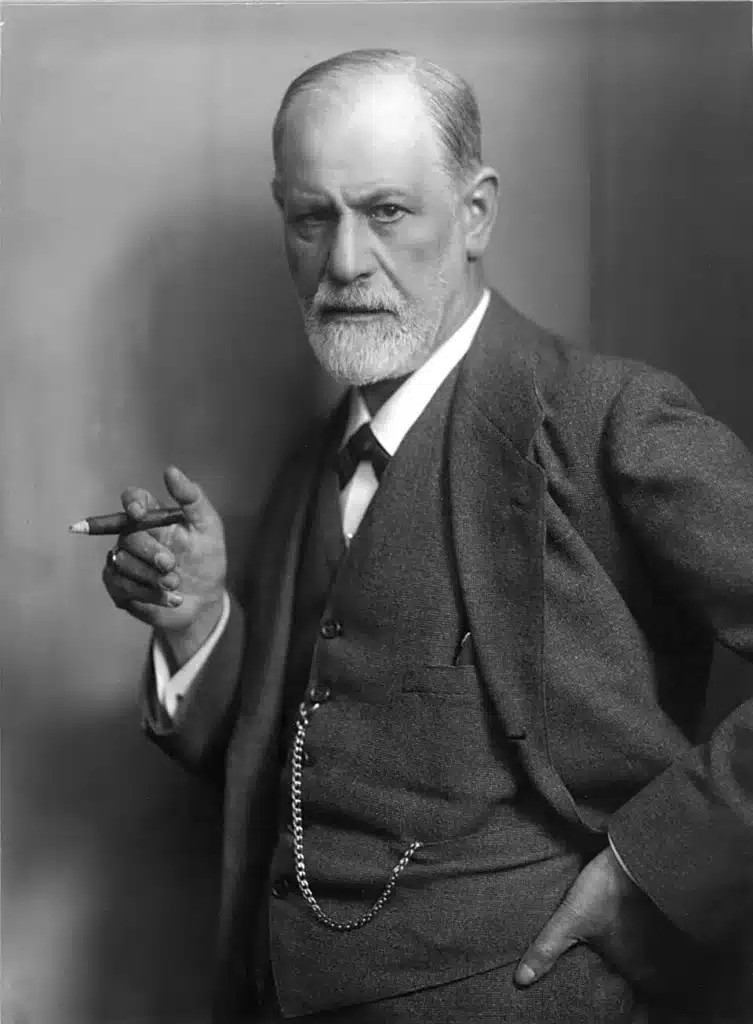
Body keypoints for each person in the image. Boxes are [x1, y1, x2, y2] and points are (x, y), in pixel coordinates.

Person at [102, 49, 753, 1023]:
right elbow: (302, 752)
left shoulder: (608, 416)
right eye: (311, 218)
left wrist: (648, 872)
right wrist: (196, 625)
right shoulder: (312, 462)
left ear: (475, 214)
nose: (344, 262)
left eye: (387, 212)